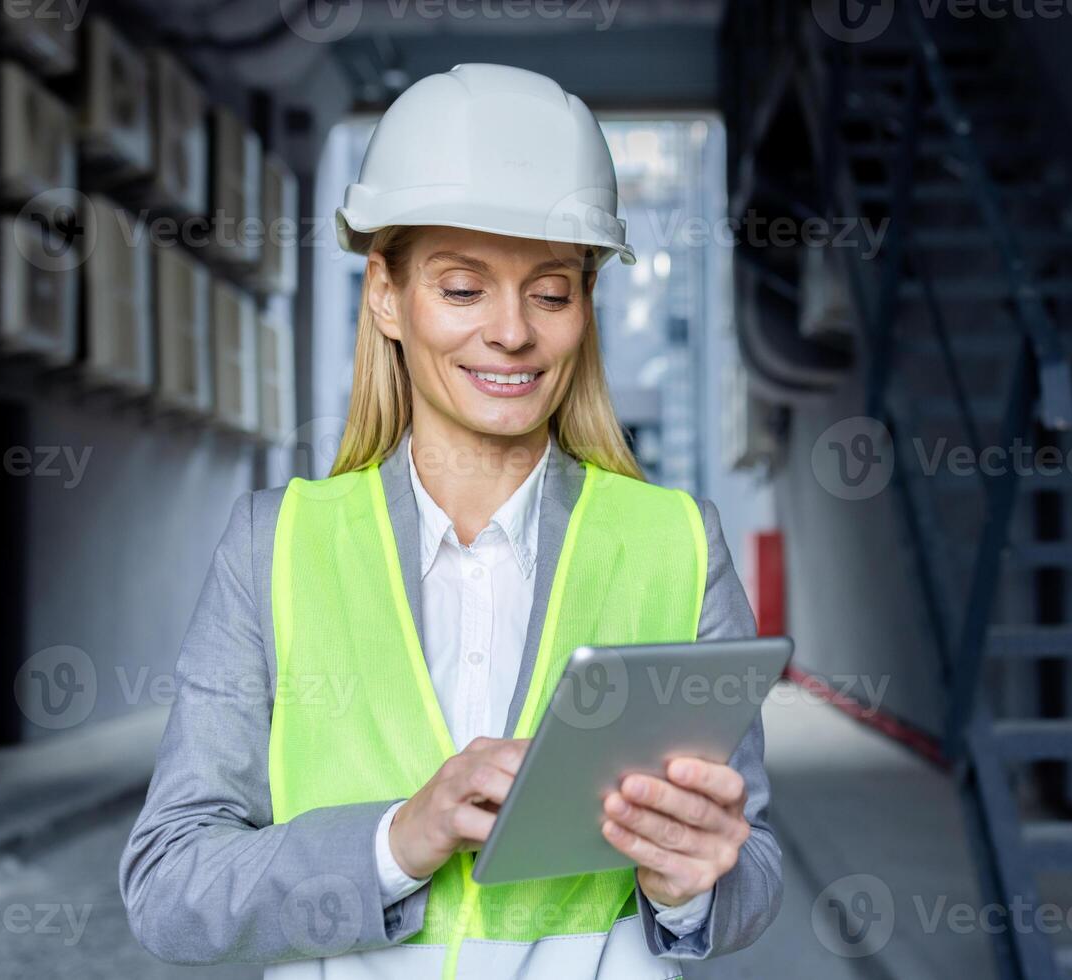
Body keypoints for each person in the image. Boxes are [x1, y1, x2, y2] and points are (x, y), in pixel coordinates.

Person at [119, 63, 782, 979]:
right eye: (463, 288)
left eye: (551, 292)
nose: (511, 332)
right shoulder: (278, 546)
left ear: (586, 307)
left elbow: (756, 859)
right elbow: (168, 885)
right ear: (386, 295)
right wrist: (398, 840)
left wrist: (691, 885)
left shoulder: (675, 543)